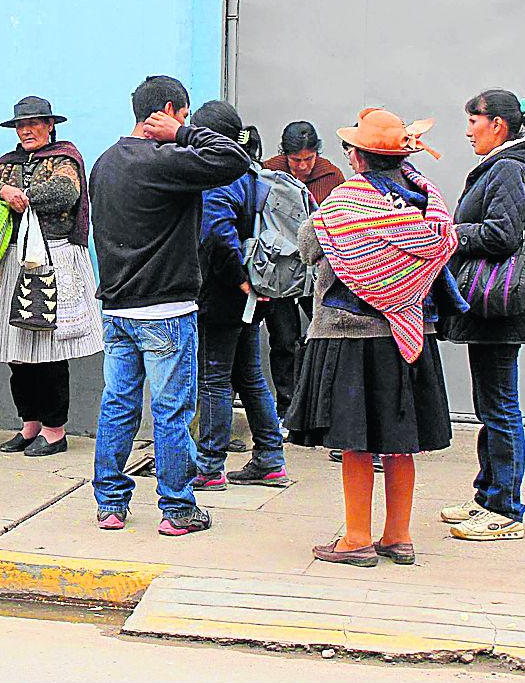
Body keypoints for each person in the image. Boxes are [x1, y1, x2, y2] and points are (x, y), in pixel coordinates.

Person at [286, 109, 461, 567]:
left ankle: (357, 538)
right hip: (410, 333)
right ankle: (398, 536)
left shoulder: (344, 202)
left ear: (359, 158)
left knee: (357, 441)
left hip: (352, 335)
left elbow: (308, 247)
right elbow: (442, 249)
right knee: (400, 440)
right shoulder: (428, 200)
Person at [90, 77, 251, 535]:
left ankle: (110, 505)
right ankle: (177, 508)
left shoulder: (105, 162)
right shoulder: (164, 161)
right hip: (166, 309)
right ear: (166, 111)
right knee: (171, 410)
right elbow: (234, 158)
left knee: (118, 406)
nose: (186, 124)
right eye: (184, 115)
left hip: (118, 308)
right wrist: (180, 135)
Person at [0, 96, 101, 457]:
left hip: (52, 260)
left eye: (34, 123)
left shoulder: (66, 159)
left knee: (50, 349)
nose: (26, 130)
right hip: (12, 264)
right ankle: (30, 424)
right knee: (16, 352)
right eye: (21, 125)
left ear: (50, 125)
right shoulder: (6, 165)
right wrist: (1, 191)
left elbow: (64, 192)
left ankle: (55, 430)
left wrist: (21, 196)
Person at [440, 90, 525, 543]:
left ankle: (505, 508)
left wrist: (448, 234)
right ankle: (488, 494)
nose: (468, 131)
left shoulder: (507, 168)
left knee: (500, 406)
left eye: (473, 122)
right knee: (491, 404)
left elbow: (502, 235)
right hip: (494, 310)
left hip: (499, 307)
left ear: (498, 125)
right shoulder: (507, 166)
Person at [190, 101, 289, 493]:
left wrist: (239, 280)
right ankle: (270, 458)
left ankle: (209, 466)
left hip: (223, 293)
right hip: (248, 295)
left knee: (214, 377)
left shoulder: (218, 178)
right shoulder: (248, 172)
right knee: (248, 375)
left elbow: (217, 234)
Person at [261, 121, 346, 418]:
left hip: (322, 271)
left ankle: (323, 408)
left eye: (308, 159)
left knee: (326, 336)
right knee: (283, 340)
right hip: (281, 271)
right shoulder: (268, 174)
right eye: (296, 160)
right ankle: (286, 408)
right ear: (285, 155)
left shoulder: (332, 176)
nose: (303, 167)